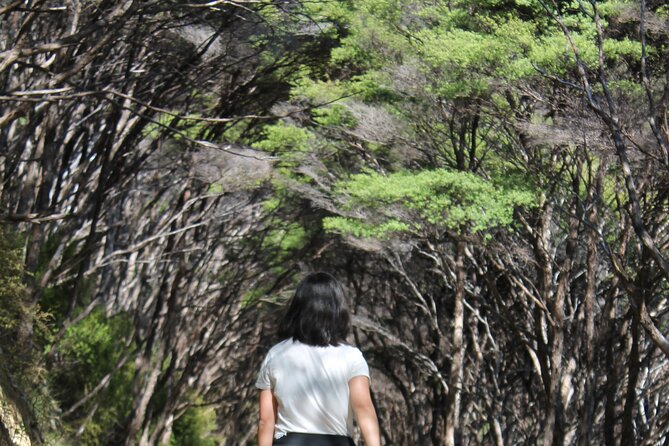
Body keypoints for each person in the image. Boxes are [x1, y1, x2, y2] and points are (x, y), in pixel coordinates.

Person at [255, 272, 381, 446]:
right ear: (338, 310)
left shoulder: (276, 354)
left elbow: (265, 420)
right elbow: (364, 410)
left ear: (297, 309)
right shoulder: (351, 356)